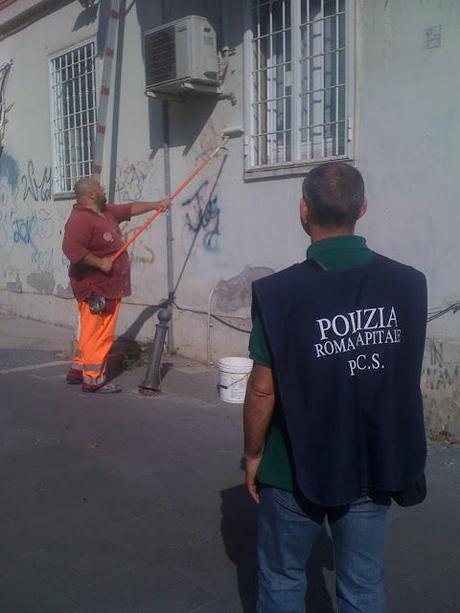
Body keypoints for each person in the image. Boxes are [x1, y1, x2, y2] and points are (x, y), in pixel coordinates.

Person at [244, 162, 427, 612]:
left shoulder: (279, 293)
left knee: (283, 578)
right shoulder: (409, 284)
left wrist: (252, 454)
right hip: (374, 459)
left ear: (303, 211)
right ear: (362, 208)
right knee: (362, 585)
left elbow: (263, 389)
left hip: (293, 468)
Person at [62, 177, 171, 393]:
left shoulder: (105, 212)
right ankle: (93, 380)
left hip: (107, 286)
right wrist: (99, 262)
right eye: (100, 187)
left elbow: (130, 208)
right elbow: (71, 249)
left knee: (90, 331)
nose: (104, 189)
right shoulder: (80, 219)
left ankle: (79, 369)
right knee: (100, 333)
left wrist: (156, 204)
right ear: (91, 194)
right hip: (96, 288)